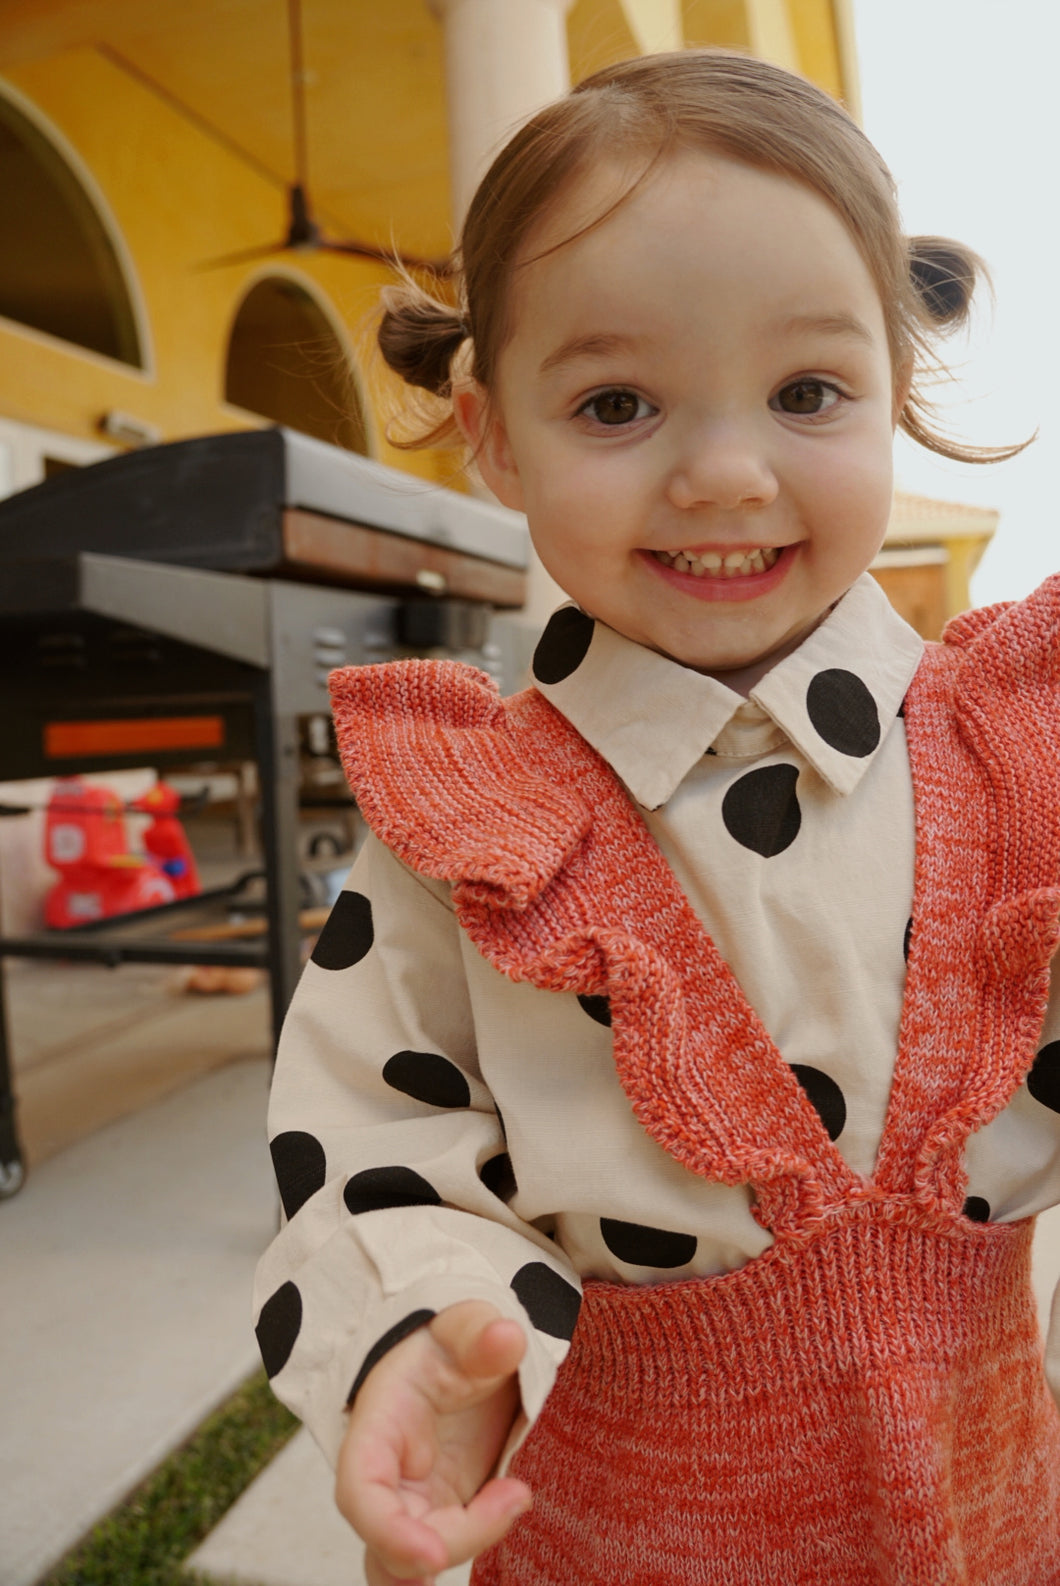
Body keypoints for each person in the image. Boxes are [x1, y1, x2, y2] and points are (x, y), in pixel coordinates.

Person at [254, 49, 1060, 1586]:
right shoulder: (466, 823)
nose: (725, 471)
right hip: (605, 1532)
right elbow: (370, 1136)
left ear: (895, 394)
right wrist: (420, 1337)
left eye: (808, 390)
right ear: (495, 434)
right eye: (618, 401)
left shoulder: (1021, 765)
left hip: (989, 1511)